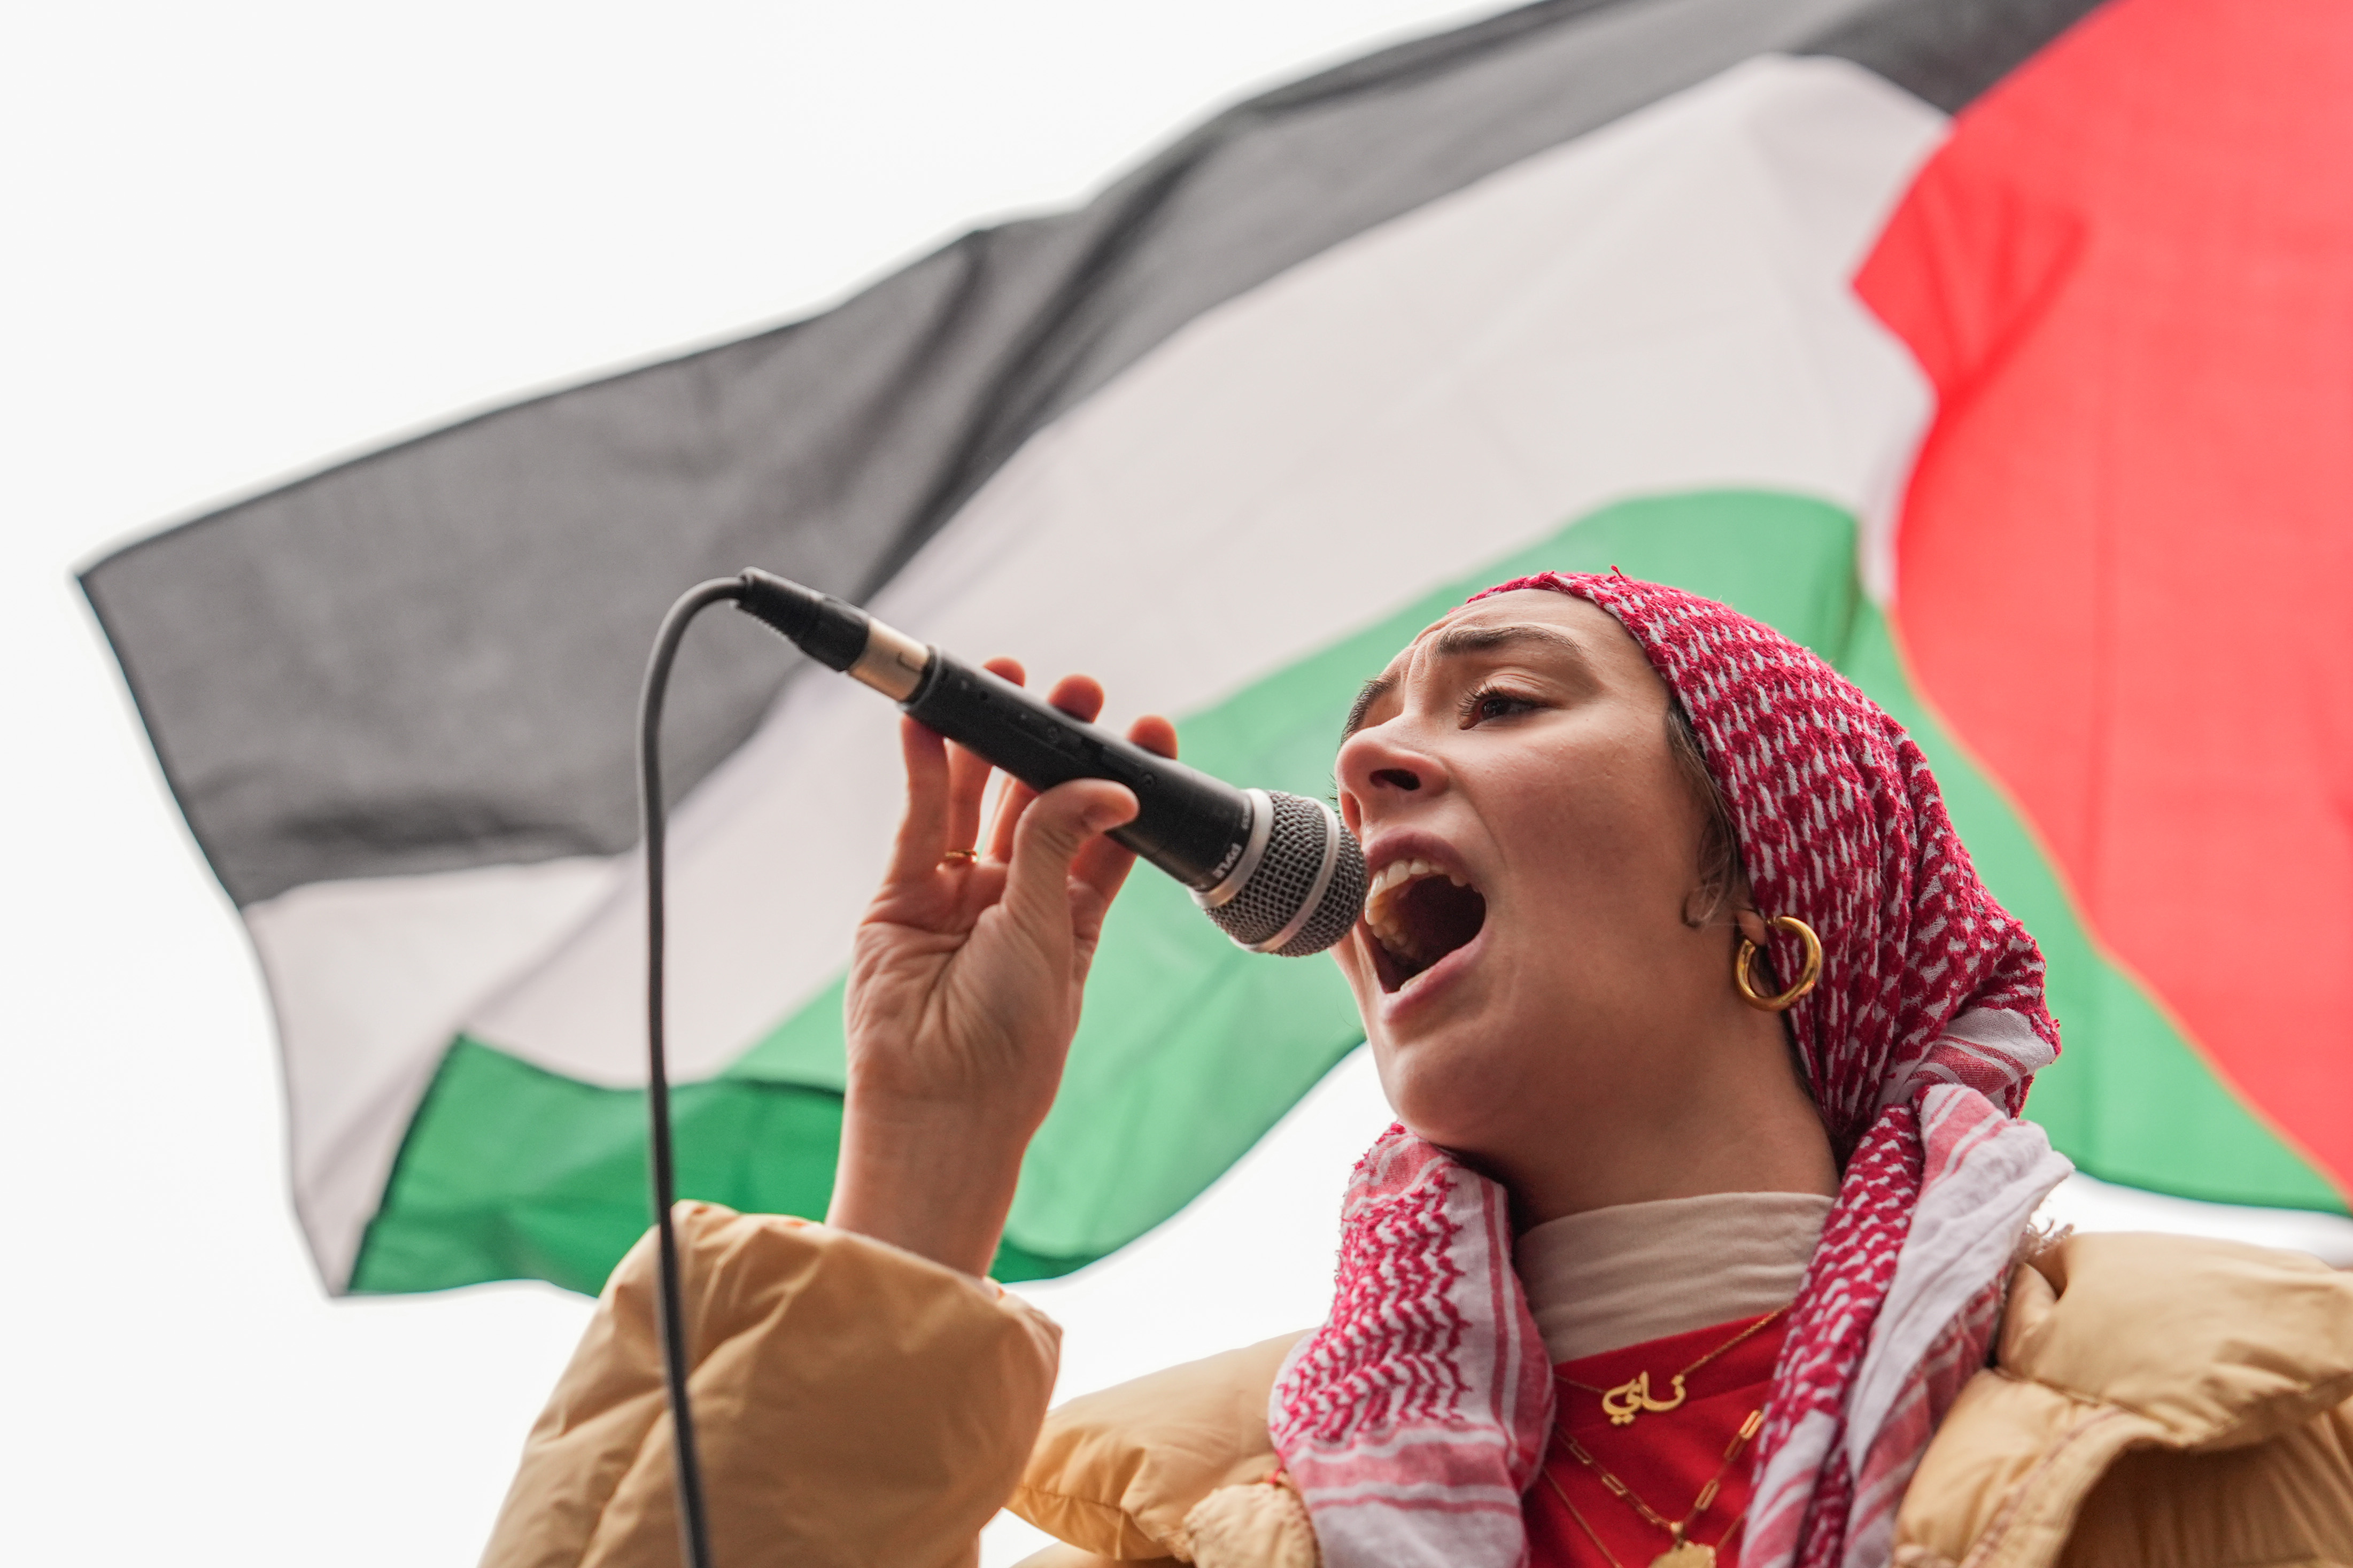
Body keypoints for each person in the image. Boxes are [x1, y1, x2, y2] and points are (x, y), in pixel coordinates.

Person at [482, 575, 2353, 1568]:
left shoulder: (2270, 1428)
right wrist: (926, 1161)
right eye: (1365, 735)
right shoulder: (1192, 1537)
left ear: (1772, 897)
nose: (1361, 772)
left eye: (1505, 700)